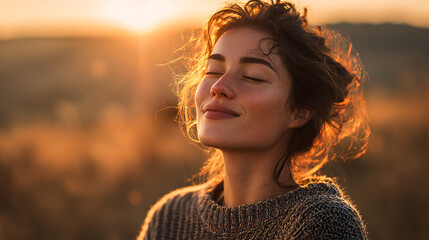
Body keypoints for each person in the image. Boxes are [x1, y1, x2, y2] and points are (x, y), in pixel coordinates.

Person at [138, 0, 370, 239]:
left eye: (253, 77)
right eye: (213, 71)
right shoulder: (169, 218)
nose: (218, 87)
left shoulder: (322, 223)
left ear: (300, 111)